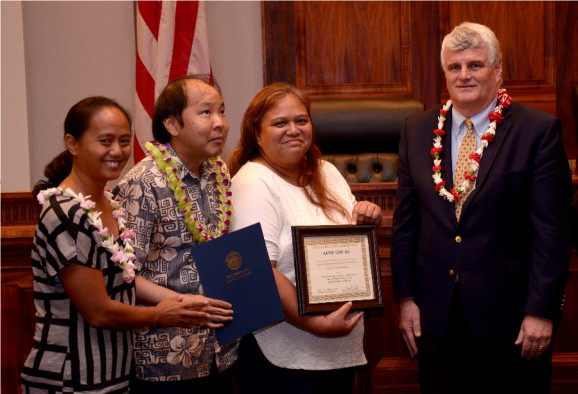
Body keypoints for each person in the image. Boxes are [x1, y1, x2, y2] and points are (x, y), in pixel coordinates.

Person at [391, 22, 572, 393]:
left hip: (512, 320)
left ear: (498, 70)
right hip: (436, 316)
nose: (464, 75)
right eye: (455, 67)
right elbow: (406, 225)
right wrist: (406, 299)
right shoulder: (416, 130)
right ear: (444, 74)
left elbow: (552, 232)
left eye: (475, 65)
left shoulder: (537, 131)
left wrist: (540, 311)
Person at [20, 96, 228, 393]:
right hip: (71, 376)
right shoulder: (64, 213)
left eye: (123, 140)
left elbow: (126, 280)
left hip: (115, 374)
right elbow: (99, 311)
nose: (117, 151)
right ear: (73, 144)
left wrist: (188, 303)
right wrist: (162, 313)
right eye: (105, 141)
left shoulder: (111, 203)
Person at [228, 82, 383, 394]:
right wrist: (316, 325)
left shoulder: (325, 171)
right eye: (280, 123)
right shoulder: (250, 183)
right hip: (285, 357)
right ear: (256, 134)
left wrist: (366, 218)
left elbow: (351, 243)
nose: (294, 130)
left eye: (301, 120)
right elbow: (258, 272)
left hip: (338, 348)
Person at [114, 75, 238, 393]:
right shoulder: (143, 181)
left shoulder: (218, 174)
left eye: (222, 111)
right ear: (172, 124)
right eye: (206, 112)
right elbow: (122, 273)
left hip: (221, 351)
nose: (220, 123)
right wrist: (184, 303)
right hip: (166, 357)